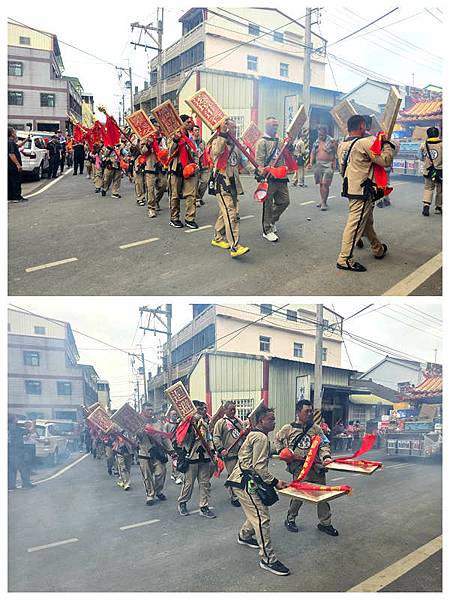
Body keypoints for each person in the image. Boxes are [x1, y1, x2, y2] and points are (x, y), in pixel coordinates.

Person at [226, 404, 290, 576]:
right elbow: (260, 467)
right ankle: (268, 559)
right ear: (261, 420)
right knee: (262, 517)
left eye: (274, 419)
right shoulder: (260, 437)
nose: (274, 422)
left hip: (239, 479)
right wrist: (276, 482)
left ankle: (244, 536)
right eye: (271, 419)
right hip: (246, 482)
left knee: (256, 512)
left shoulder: (256, 435)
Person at [336, 114, 396, 272]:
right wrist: (387, 143)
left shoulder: (342, 145)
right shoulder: (364, 143)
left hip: (350, 188)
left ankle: (378, 249)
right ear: (362, 126)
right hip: (363, 190)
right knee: (355, 225)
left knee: (367, 223)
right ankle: (344, 259)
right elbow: (385, 160)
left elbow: (342, 169)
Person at [274, 399, 338, 537]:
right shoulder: (288, 429)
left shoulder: (316, 429)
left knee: (322, 495)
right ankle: (290, 519)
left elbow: (324, 444)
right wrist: (282, 452)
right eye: (306, 411)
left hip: (316, 467)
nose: (309, 414)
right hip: (299, 468)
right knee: (299, 496)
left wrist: (326, 457)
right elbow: (277, 439)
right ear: (298, 412)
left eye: (311, 411)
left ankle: (325, 523)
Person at [209, 119, 250, 258]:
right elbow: (216, 151)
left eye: (233, 127)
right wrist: (222, 134)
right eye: (229, 127)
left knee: (225, 212)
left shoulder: (236, 146)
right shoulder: (217, 142)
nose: (232, 130)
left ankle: (217, 238)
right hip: (222, 184)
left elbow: (244, 163)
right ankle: (235, 246)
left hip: (233, 184)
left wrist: (258, 171)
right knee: (231, 214)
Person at [175, 400, 216, 518]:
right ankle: (182, 502)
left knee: (205, 483)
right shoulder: (185, 424)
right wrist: (190, 426)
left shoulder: (205, 423)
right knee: (189, 483)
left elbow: (208, 439)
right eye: (199, 409)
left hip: (205, 456)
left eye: (203, 409)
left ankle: (204, 506)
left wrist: (212, 452)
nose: (203, 411)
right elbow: (181, 439)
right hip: (192, 456)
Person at [255, 116, 290, 242]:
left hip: (281, 176)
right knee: (268, 204)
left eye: (276, 125)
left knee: (285, 201)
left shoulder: (280, 141)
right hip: (269, 178)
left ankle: (271, 220)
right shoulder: (261, 142)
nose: (275, 127)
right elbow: (259, 163)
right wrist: (263, 173)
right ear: (267, 126)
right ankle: (267, 229)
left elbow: (286, 156)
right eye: (273, 125)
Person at [168, 114, 199, 229]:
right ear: (180, 123)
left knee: (191, 194)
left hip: (189, 169)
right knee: (175, 195)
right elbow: (169, 151)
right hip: (176, 169)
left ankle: (190, 218)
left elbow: (195, 151)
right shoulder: (172, 136)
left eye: (190, 122)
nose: (190, 124)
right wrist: (176, 140)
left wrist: (196, 163)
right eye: (187, 122)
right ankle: (174, 218)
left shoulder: (190, 137)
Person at [137, 403, 171, 505]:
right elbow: (132, 439)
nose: (150, 412)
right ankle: (150, 495)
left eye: (152, 410)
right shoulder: (138, 424)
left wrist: (171, 450)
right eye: (148, 410)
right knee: (147, 475)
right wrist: (139, 433)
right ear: (143, 410)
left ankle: (158, 490)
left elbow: (164, 437)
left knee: (161, 473)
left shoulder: (158, 423)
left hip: (158, 452)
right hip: (144, 452)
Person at [213, 401, 244, 506]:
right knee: (232, 475)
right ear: (225, 410)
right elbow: (216, 437)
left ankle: (240, 493)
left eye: (234, 409)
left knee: (241, 474)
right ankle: (234, 497)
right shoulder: (221, 422)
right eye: (230, 409)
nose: (233, 411)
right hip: (229, 454)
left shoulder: (239, 422)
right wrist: (221, 449)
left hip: (241, 453)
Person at [307, 126, 337, 211]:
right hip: (318, 164)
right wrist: (310, 163)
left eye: (322, 134)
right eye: (319, 134)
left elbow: (337, 151)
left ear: (325, 133)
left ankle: (324, 203)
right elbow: (313, 153)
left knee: (325, 183)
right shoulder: (316, 142)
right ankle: (323, 201)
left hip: (328, 164)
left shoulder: (331, 141)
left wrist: (334, 162)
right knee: (320, 183)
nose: (320, 135)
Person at [420, 126, 442, 216]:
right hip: (440, 171)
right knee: (440, 190)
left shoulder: (423, 145)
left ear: (428, 135)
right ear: (438, 134)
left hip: (428, 171)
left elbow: (421, 157)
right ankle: (438, 207)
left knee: (428, 188)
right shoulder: (443, 144)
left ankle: (426, 206)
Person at [8, 415, 34, 490]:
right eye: (16, 418)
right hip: (17, 451)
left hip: (8, 451)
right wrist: (32, 425)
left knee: (11, 469)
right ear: (13, 420)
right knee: (24, 467)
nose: (17, 419)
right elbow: (28, 431)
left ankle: (11, 485)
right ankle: (26, 483)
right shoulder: (16, 429)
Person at [8, 126, 29, 203]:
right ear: (11, 134)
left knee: (15, 181)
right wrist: (17, 164)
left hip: (13, 166)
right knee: (15, 181)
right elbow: (11, 154)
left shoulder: (12, 142)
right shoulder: (10, 142)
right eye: (14, 132)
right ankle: (15, 197)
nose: (15, 133)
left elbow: (19, 146)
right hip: (12, 166)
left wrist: (26, 139)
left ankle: (16, 196)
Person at [163, 410, 183, 484]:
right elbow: (165, 436)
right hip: (170, 445)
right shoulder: (166, 425)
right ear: (170, 415)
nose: (175, 416)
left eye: (176, 414)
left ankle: (177, 475)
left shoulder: (179, 424)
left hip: (178, 445)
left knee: (178, 460)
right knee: (174, 460)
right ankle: (175, 475)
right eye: (173, 414)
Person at [192, 124, 210, 206]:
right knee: (195, 183)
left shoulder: (203, 142)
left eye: (198, 130)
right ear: (192, 132)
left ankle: (199, 197)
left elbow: (206, 152)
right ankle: (197, 199)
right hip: (194, 165)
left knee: (205, 182)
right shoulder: (190, 141)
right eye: (195, 130)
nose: (197, 132)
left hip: (203, 165)